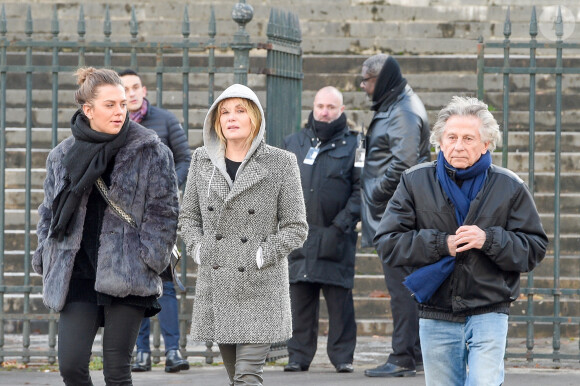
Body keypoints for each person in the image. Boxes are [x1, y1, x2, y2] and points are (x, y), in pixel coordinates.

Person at [374, 96, 548, 385]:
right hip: (436, 311)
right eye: (451, 137)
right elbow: (388, 243)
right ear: (439, 142)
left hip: (489, 308)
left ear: (486, 144)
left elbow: (534, 248)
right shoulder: (414, 181)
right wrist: (441, 244)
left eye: (469, 138)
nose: (458, 145)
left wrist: (488, 239)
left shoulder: (510, 186)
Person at [32, 67, 179, 385]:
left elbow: (164, 213)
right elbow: (49, 211)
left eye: (123, 104)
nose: (119, 111)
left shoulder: (151, 150)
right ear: (88, 109)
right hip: (77, 271)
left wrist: (149, 257)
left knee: (116, 371)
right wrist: (46, 252)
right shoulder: (63, 155)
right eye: (110, 104)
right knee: (71, 366)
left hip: (127, 270)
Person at [179, 84, 308, 385]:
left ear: (255, 118)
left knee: (248, 377)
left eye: (240, 110)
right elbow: (187, 217)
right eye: (224, 112)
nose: (231, 117)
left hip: (259, 286)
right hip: (218, 282)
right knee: (236, 377)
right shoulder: (201, 161)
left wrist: (261, 254)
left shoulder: (280, 162)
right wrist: (200, 249)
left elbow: (297, 227)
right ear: (215, 120)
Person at [359, 54, 431, 377]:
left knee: (401, 288)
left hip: (398, 215)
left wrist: (374, 193)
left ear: (382, 78)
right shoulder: (393, 104)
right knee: (405, 286)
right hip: (392, 214)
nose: (363, 87)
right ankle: (412, 354)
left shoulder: (402, 110)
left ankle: (403, 356)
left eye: (367, 80)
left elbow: (404, 165)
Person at [283, 86, 361, 374]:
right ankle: (298, 355)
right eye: (320, 106)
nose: (324, 111)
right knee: (300, 297)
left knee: (340, 300)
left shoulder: (356, 145)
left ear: (341, 111)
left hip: (336, 233)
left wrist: (342, 224)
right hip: (300, 233)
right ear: (313, 108)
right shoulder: (293, 142)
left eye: (331, 106)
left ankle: (342, 356)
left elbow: (360, 188)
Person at [119, 69, 192, 373]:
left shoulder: (165, 120)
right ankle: (142, 353)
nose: (132, 93)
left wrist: (166, 188)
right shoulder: (116, 124)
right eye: (126, 89)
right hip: (125, 216)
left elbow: (186, 158)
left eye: (136, 87)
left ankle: (174, 351)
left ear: (144, 89)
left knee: (166, 283)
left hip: (161, 217)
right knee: (135, 284)